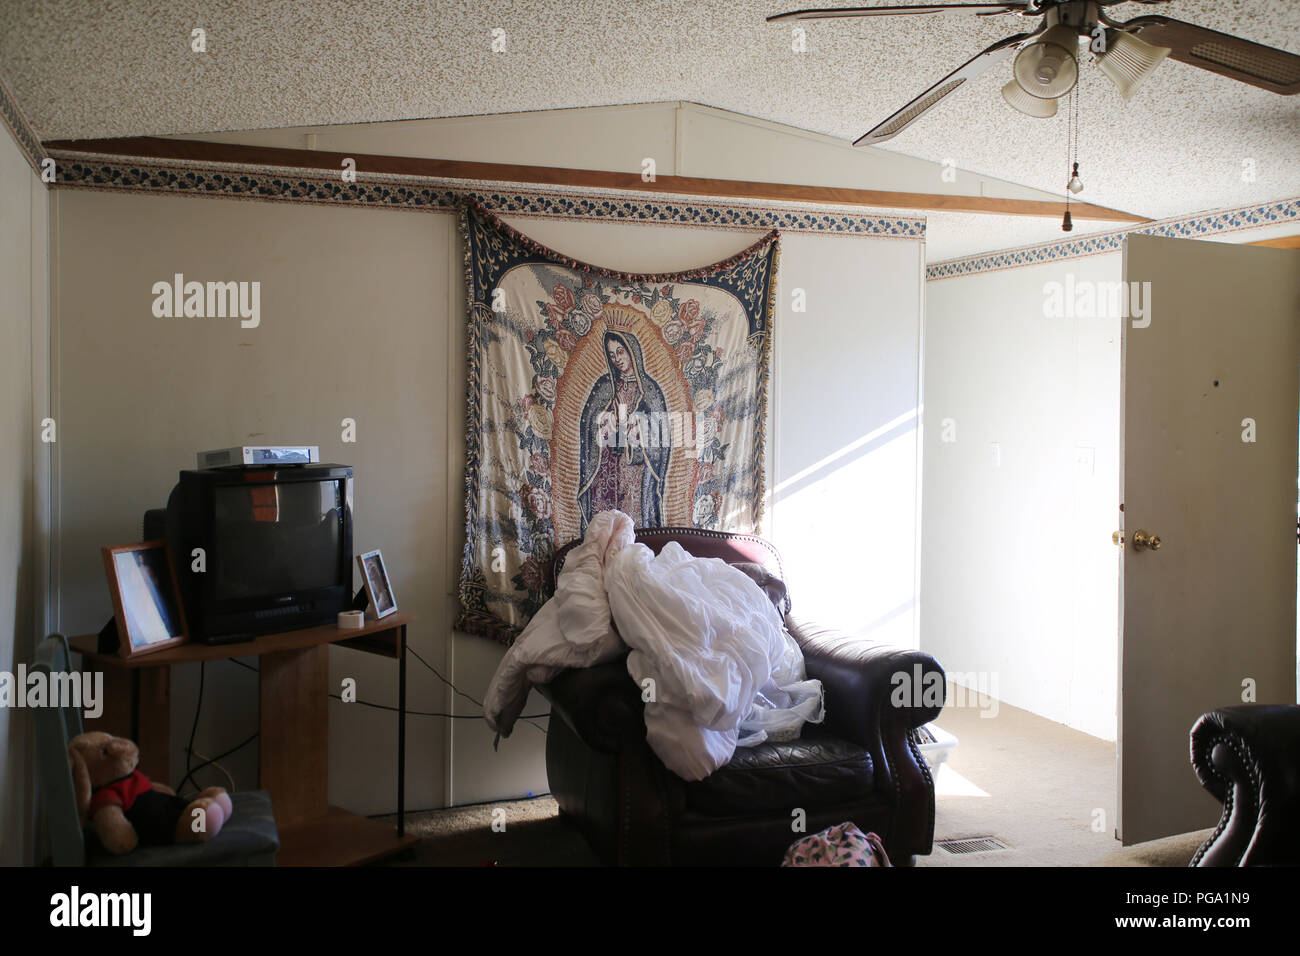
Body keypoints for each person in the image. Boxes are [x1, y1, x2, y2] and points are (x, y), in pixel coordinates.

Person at [576, 330, 670, 530]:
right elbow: (588, 422)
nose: (617, 359)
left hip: (634, 471)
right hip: (605, 469)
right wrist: (603, 421)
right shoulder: (604, 386)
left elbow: (661, 434)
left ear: (632, 352)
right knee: (604, 530)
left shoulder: (649, 389)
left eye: (620, 351)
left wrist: (637, 425)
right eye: (611, 354)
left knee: (633, 527)